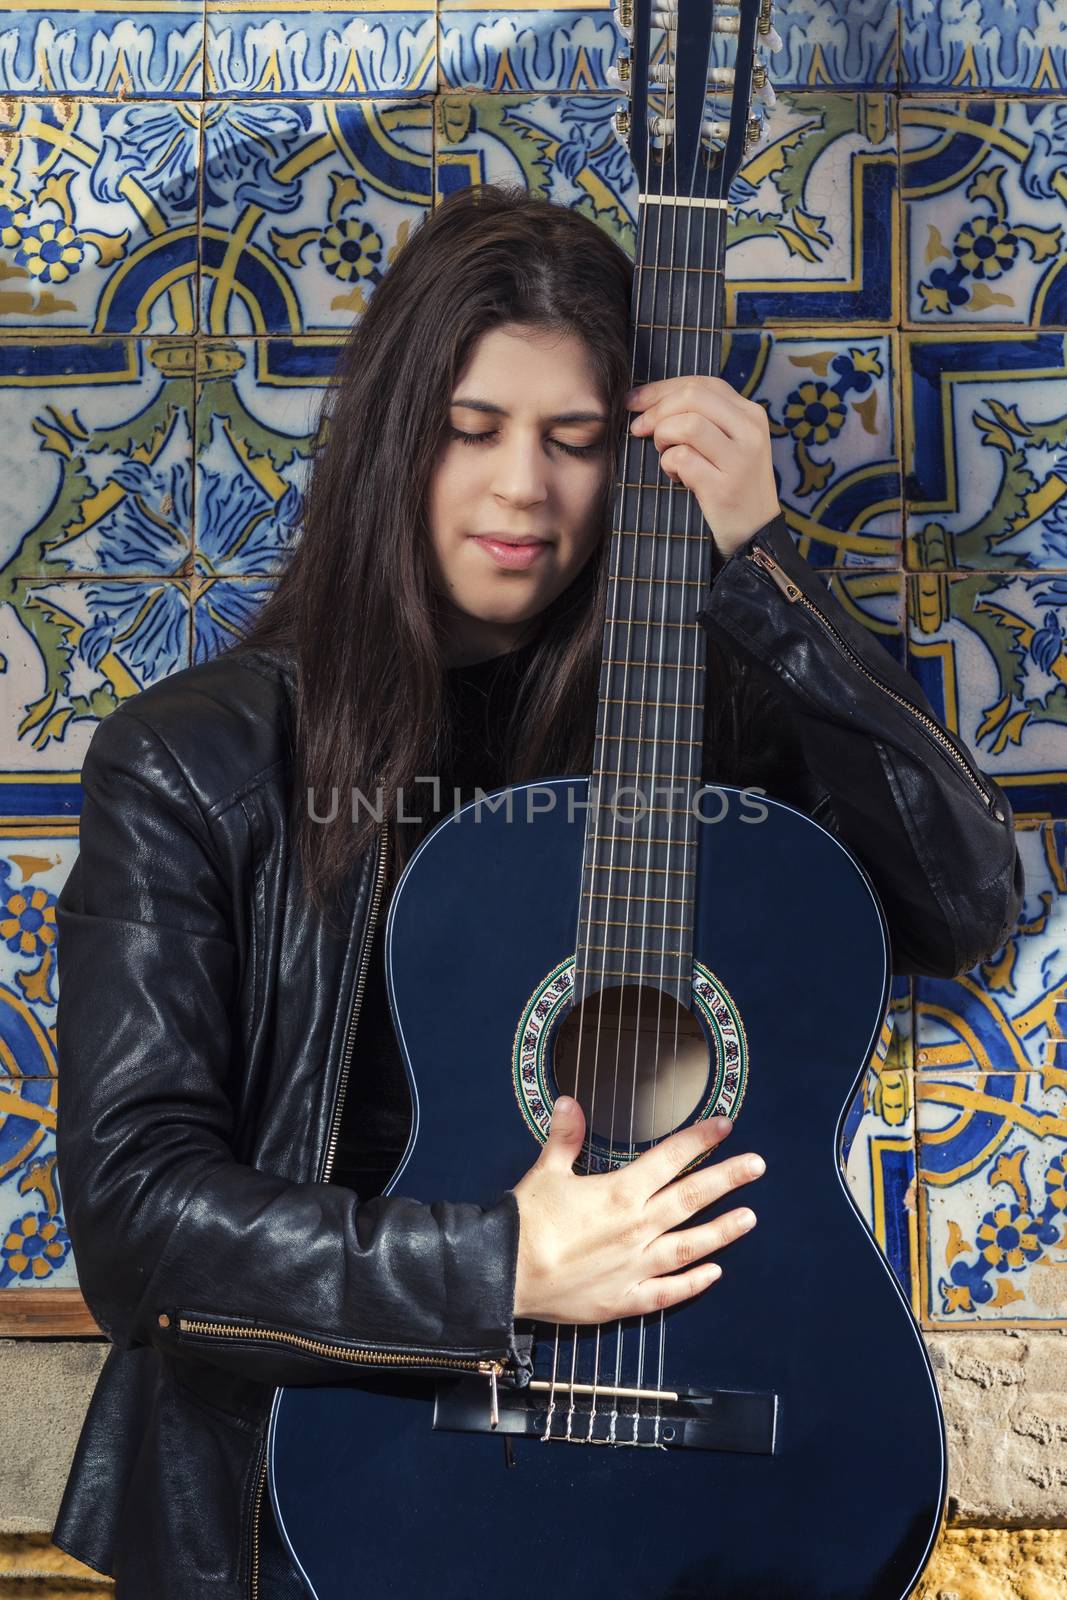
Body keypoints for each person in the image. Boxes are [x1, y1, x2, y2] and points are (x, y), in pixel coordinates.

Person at [50, 184, 1023, 1597]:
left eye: (577, 443)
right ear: (394, 442)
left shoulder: (709, 748)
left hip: (715, 1467)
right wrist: (497, 1264)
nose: (525, 487)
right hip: (293, 1498)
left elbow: (968, 902)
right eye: (472, 432)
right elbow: (137, 1224)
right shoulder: (199, 761)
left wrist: (764, 568)